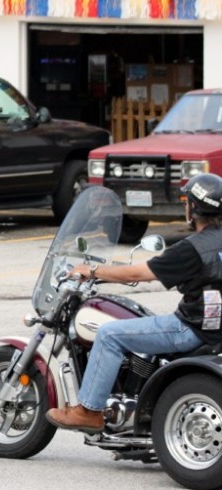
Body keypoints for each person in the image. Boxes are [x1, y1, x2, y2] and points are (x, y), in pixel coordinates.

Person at [46, 172, 222, 433]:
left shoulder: (191, 249)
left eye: (187, 201)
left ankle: (88, 411)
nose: (185, 206)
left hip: (191, 329)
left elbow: (138, 273)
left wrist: (92, 271)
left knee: (108, 334)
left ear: (194, 207)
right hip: (215, 329)